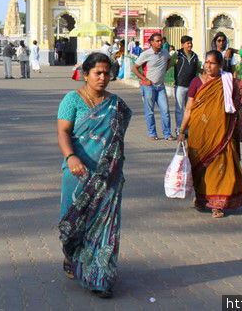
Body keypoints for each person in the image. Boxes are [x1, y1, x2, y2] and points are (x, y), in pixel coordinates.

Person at [57, 52, 131, 298]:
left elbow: (117, 138)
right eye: (97, 73)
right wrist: (71, 157)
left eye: (106, 73)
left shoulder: (117, 104)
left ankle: (101, 278)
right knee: (74, 223)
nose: (102, 78)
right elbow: (63, 132)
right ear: (85, 74)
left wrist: (113, 167)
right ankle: (72, 258)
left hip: (108, 176)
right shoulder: (72, 99)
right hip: (77, 172)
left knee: (104, 227)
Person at [178, 50, 242, 217]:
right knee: (200, 168)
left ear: (220, 65)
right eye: (206, 62)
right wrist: (181, 130)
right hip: (199, 135)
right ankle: (201, 199)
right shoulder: (196, 82)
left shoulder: (228, 81)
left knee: (220, 168)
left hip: (222, 134)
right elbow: (188, 109)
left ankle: (218, 204)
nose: (208, 66)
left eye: (212, 63)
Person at [132, 33, 173, 140]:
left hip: (160, 87)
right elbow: (134, 68)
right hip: (148, 87)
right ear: (151, 42)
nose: (160, 43)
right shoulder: (146, 54)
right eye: (157, 41)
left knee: (165, 111)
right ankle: (152, 133)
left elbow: (169, 61)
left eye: (161, 41)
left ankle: (167, 134)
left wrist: (164, 70)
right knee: (150, 111)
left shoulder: (165, 53)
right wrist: (145, 79)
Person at [172, 36, 199, 137]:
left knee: (190, 108)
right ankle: (179, 129)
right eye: (187, 43)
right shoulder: (178, 55)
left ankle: (188, 128)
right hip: (180, 85)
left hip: (191, 86)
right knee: (179, 108)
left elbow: (197, 69)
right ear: (182, 44)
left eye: (190, 43)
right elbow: (169, 65)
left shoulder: (195, 56)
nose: (190, 45)